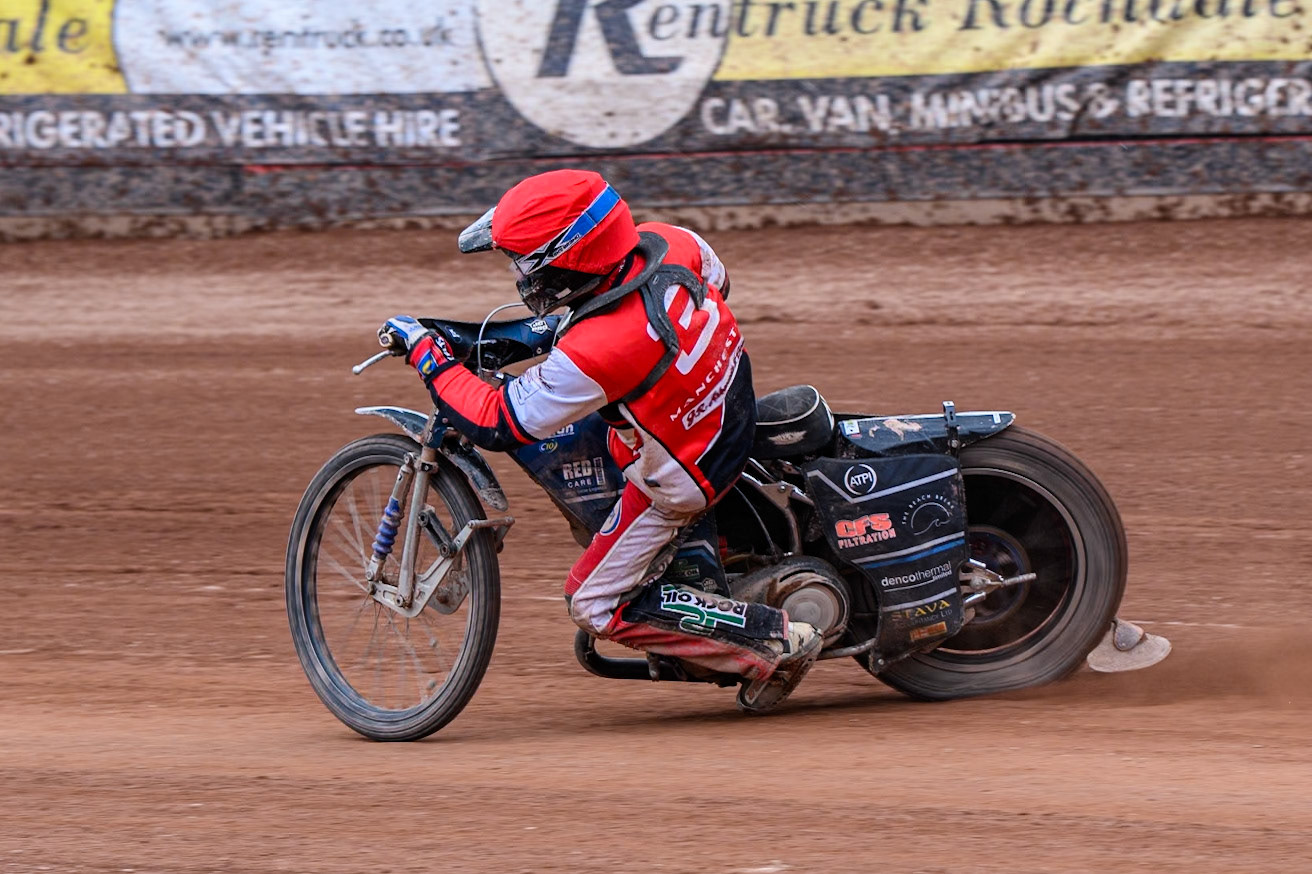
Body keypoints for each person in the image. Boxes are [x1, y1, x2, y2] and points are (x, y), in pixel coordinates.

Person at [379, 169, 820, 712]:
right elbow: (718, 284)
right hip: (723, 401)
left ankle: (772, 643)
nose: (518, 272)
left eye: (524, 260)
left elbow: (498, 422)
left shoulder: (600, 348)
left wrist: (430, 356)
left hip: (682, 474)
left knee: (591, 604)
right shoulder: (672, 241)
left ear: (566, 258)